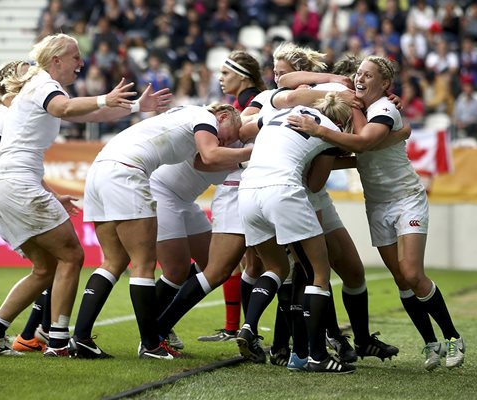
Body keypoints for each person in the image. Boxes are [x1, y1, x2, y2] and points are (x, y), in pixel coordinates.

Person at [0, 33, 171, 357]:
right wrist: (106, 97)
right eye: (76, 57)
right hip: (17, 184)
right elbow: (67, 107)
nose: (81, 63)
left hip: (6, 186)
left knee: (45, 267)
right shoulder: (43, 84)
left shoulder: (38, 87)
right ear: (56, 60)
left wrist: (136, 106)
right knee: (73, 256)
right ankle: (59, 341)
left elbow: (86, 114)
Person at [287, 55, 466, 371]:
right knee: (401, 278)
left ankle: (452, 337)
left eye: (368, 75)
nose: (360, 78)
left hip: (406, 199)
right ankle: (431, 343)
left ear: (385, 84)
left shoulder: (384, 109)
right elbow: (359, 151)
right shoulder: (361, 108)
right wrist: (397, 129)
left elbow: (364, 143)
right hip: (378, 204)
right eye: (358, 73)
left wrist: (319, 130)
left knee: (412, 273)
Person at [72, 103, 251, 360]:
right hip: (138, 177)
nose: (227, 141)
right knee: (150, 265)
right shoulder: (204, 119)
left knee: (213, 265)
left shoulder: (187, 116)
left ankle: (83, 338)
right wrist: (252, 152)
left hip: (105, 168)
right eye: (229, 134)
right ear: (222, 116)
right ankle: (152, 343)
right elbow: (208, 158)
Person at [236, 92, 355, 374]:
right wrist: (352, 160)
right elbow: (314, 184)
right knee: (318, 272)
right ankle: (317, 356)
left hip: (247, 191)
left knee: (276, 267)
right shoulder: (331, 130)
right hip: (282, 190)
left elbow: (245, 129)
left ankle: (249, 326)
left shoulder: (280, 112)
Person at [0, 60, 52, 353]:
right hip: (10, 195)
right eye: (24, 68)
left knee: (51, 265)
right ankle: (37, 333)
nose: (32, 70)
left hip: (18, 190)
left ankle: (27, 333)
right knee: (56, 262)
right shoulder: (2, 114)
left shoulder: (20, 110)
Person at [196, 50, 267, 342]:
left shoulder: (251, 105)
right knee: (256, 265)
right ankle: (240, 329)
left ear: (243, 75)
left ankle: (237, 328)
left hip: (248, 188)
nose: (220, 78)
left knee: (248, 266)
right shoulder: (245, 102)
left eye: (226, 73)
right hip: (258, 187)